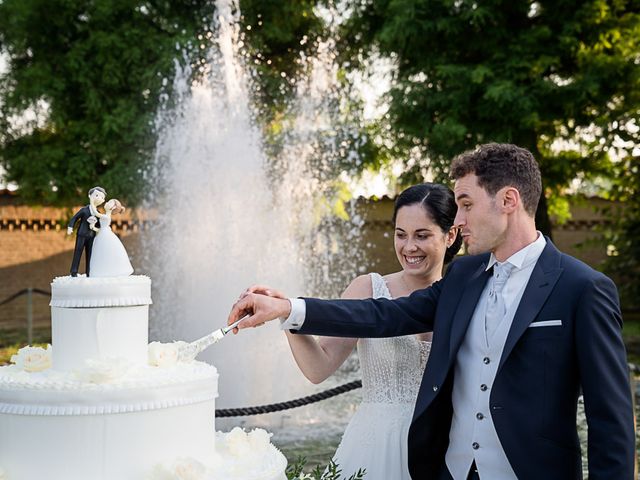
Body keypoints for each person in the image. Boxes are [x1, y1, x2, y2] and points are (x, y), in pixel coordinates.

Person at [228, 143, 635, 480]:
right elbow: (383, 315)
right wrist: (289, 308)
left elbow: (610, 421)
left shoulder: (583, 289)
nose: (458, 220)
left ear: (508, 200)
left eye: (465, 204)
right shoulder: (464, 276)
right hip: (450, 471)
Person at [246, 184, 461, 479]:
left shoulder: (465, 296)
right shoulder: (369, 288)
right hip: (375, 448)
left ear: (450, 236)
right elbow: (318, 368)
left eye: (422, 235)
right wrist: (287, 314)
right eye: (401, 235)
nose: (409, 247)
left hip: (443, 448)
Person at [88, 198, 134, 277]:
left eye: (109, 202)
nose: (106, 202)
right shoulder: (105, 216)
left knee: (104, 251)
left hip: (105, 234)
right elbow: (100, 229)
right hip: (102, 234)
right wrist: (93, 227)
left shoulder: (106, 217)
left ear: (112, 208)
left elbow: (96, 213)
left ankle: (108, 270)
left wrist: (92, 202)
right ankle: (102, 270)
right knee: (102, 252)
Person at [67, 186, 106, 277]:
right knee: (78, 251)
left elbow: (99, 225)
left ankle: (89, 272)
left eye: (102, 197)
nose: (99, 198)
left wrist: (98, 224)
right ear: (90, 196)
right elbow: (74, 218)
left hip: (91, 236)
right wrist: (70, 227)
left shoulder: (98, 213)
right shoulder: (84, 210)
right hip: (81, 234)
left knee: (90, 254)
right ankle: (74, 271)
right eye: (97, 195)